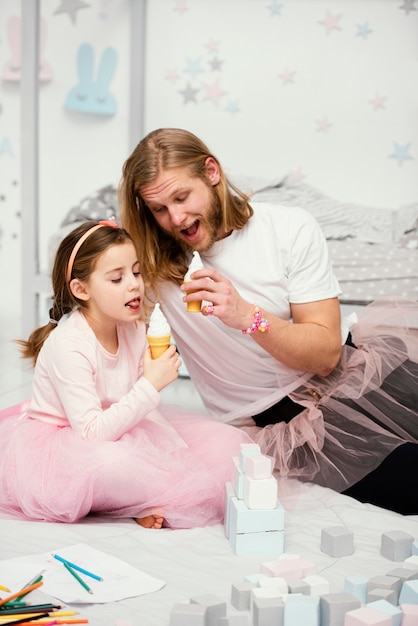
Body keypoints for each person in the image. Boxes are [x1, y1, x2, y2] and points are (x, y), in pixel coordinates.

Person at [119, 127, 418, 515]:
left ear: (211, 172)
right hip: (280, 417)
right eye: (159, 209)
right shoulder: (149, 266)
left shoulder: (289, 227)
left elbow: (327, 355)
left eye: (181, 197)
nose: (175, 218)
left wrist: (246, 317)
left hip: (349, 370)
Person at [0, 220, 252, 528]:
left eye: (135, 272)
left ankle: (140, 494)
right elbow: (92, 434)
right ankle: (128, 503)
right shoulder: (68, 345)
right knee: (112, 463)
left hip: (122, 424)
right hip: (75, 439)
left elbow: (145, 412)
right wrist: (151, 384)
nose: (134, 284)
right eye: (117, 278)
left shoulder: (132, 329)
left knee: (227, 446)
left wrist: (180, 457)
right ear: (81, 289)